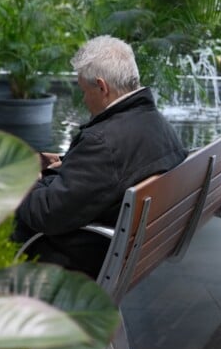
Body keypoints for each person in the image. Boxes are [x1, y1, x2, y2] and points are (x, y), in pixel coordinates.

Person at [14, 35, 188, 277]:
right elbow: (107, 176)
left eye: (84, 91)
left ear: (102, 87)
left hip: (77, 256)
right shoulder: (156, 123)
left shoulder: (102, 143)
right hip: (128, 248)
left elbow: (46, 215)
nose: (84, 100)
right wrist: (68, 164)